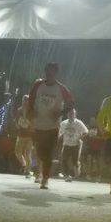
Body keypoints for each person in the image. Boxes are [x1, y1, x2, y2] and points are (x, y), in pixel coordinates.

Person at [26, 62, 74, 190]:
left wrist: (60, 113)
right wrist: (31, 112)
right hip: (39, 125)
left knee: (48, 153)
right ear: (45, 72)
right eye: (48, 71)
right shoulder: (38, 85)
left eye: (52, 71)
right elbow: (30, 100)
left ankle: (45, 178)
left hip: (53, 126)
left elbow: (71, 104)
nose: (49, 74)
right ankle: (43, 174)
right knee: (40, 152)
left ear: (56, 73)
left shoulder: (61, 88)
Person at [58, 108, 88, 182]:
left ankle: (77, 174)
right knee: (64, 159)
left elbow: (86, 131)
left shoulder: (79, 123)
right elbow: (60, 132)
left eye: (73, 114)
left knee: (75, 161)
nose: (71, 115)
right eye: (70, 114)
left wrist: (80, 138)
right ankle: (67, 175)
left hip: (76, 144)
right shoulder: (64, 123)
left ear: (75, 115)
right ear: (67, 115)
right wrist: (61, 136)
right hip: (66, 144)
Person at [13, 95, 34, 178]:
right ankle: (24, 164)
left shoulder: (32, 111)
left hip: (29, 135)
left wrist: (29, 124)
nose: (24, 102)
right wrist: (17, 125)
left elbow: (34, 122)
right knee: (17, 152)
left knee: (27, 153)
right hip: (20, 135)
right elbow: (16, 120)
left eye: (26, 100)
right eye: (23, 100)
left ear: (29, 101)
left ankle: (27, 171)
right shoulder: (19, 110)